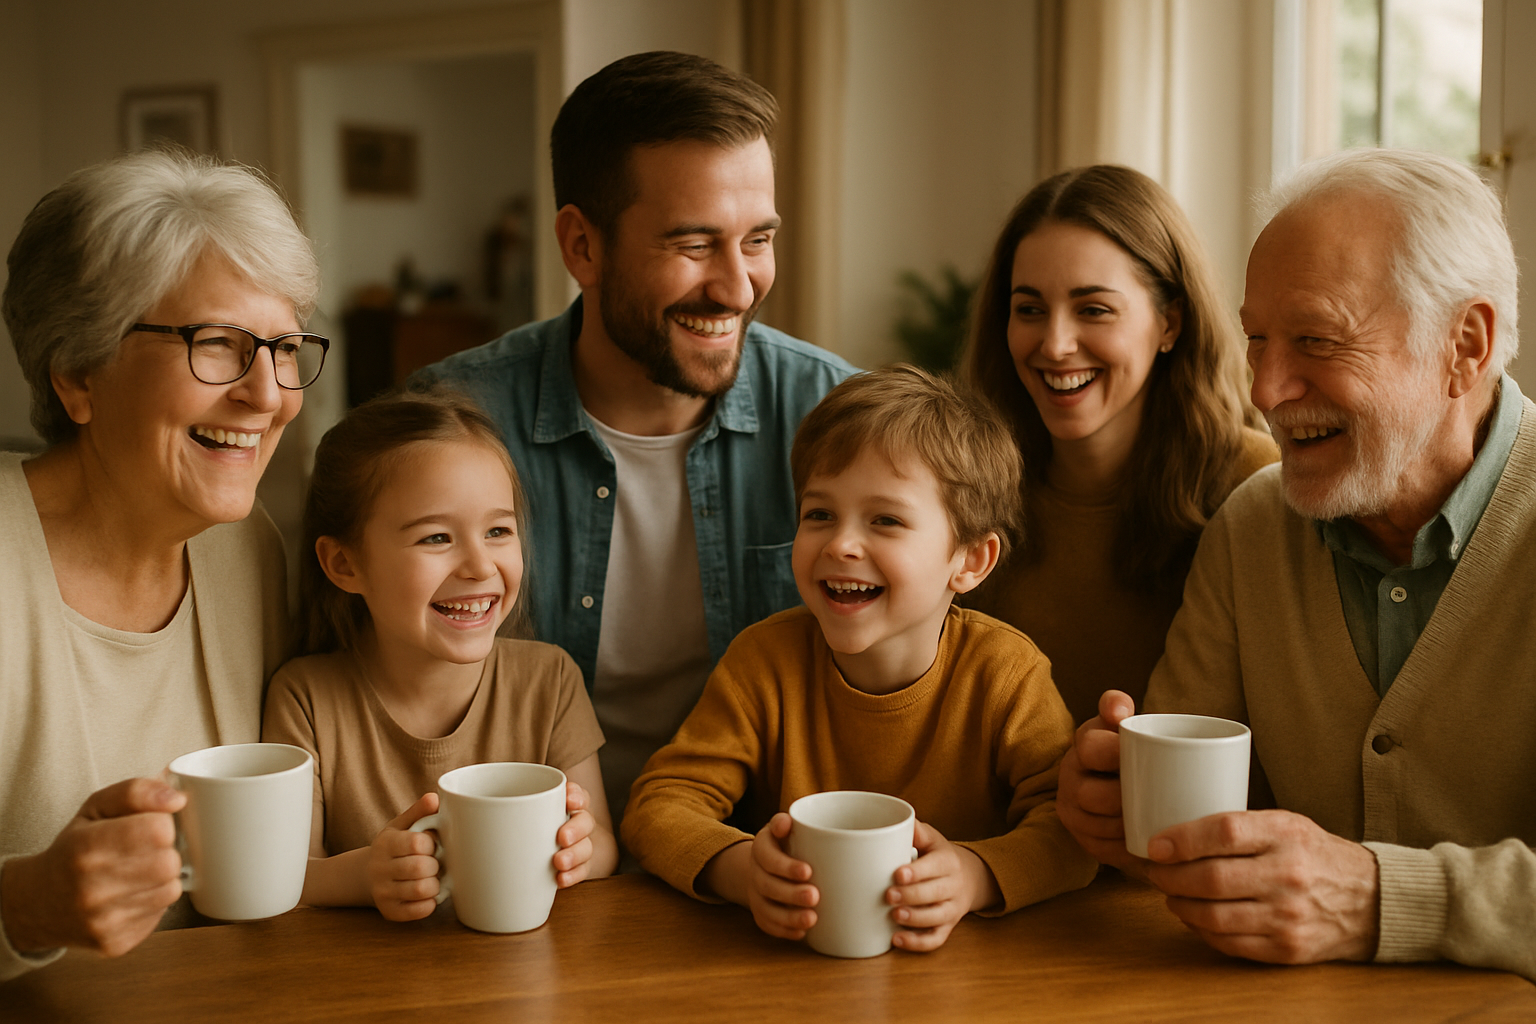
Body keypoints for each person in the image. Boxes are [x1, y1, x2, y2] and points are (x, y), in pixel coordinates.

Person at [1057, 148, 1536, 977]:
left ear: (1465, 343)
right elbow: (1206, 835)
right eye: (1257, 340)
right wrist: (1127, 814)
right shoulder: (1252, 527)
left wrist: (1384, 898)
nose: (1267, 390)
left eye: (1315, 338)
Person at [423, 51, 857, 819]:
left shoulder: (834, 417)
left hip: (763, 863)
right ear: (581, 246)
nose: (737, 286)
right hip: (527, 868)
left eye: (757, 239)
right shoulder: (449, 425)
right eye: (693, 245)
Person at [622, 366, 1097, 952]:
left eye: (886, 520)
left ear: (971, 559)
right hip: (786, 966)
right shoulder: (763, 662)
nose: (841, 543)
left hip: (972, 974)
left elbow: (1073, 828)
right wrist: (740, 869)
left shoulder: (1007, 675)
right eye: (819, 514)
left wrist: (975, 876)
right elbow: (659, 804)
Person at [0, 149, 321, 980]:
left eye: (284, 349)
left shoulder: (247, 552)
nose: (267, 393)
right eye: (217, 343)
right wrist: (24, 906)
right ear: (78, 372)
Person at [262, 387, 617, 919]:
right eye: (435, 538)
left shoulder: (550, 679)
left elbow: (606, 847)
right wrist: (366, 876)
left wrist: (578, 851)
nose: (479, 565)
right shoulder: (307, 697)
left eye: (498, 530)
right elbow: (288, 874)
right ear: (343, 564)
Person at [961, 165, 1277, 724]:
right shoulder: (963, 488)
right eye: (1029, 309)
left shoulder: (1255, 487)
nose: (1056, 345)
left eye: (1094, 309)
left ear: (1169, 324)